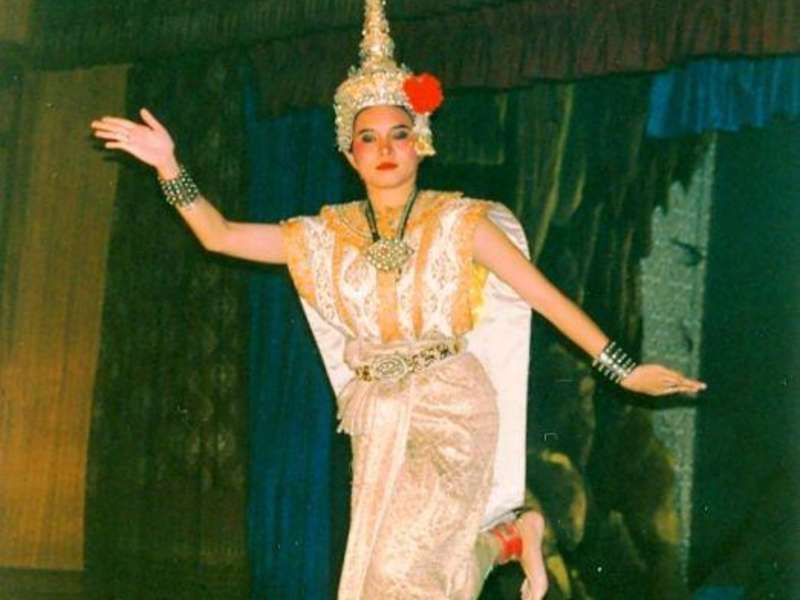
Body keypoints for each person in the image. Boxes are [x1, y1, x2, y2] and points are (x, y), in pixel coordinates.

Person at [91, 2, 706, 598]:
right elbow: (219, 235)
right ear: (349, 151)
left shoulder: (461, 223)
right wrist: (168, 165)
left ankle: (511, 536)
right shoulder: (323, 236)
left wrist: (625, 371)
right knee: (415, 577)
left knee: (401, 571)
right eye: (368, 137)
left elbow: (544, 298)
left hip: (453, 409)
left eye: (398, 134)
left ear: (422, 142)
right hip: (380, 416)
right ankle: (512, 538)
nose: (384, 149)